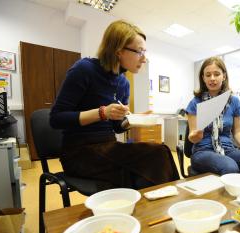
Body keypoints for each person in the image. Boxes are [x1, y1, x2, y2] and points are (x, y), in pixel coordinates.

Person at [50, 20, 179, 189]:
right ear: (119, 51)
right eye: (139, 52)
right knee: (153, 158)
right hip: (79, 152)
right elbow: (56, 119)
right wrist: (102, 113)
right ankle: (156, 207)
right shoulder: (84, 70)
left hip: (108, 148)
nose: (144, 58)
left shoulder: (123, 83)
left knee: (158, 153)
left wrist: (132, 121)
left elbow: (117, 127)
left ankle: (149, 208)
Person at [185, 57, 240, 175]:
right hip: (202, 152)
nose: (212, 78)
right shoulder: (195, 103)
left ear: (224, 76)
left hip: (228, 150)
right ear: (203, 78)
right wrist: (196, 135)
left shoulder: (234, 101)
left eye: (216, 74)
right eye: (208, 75)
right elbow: (192, 136)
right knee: (230, 167)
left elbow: (238, 131)